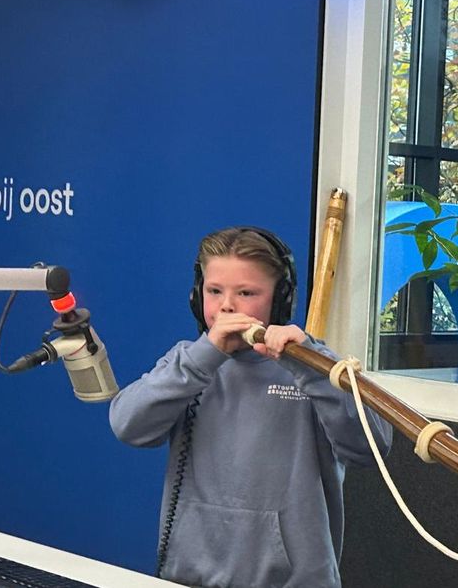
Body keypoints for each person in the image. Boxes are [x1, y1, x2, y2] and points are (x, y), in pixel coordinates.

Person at [110, 227, 392, 588]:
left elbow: (372, 447)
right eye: (214, 291)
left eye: (246, 293)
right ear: (197, 295)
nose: (226, 306)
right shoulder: (187, 362)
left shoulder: (315, 365)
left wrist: (311, 367)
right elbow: (127, 425)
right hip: (189, 577)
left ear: (280, 300)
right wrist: (202, 359)